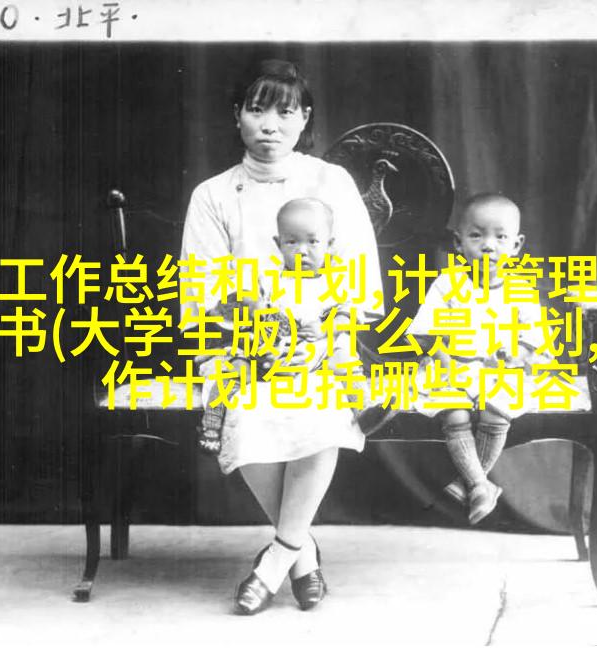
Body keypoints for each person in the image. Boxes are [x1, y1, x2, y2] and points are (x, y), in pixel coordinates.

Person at [179, 59, 383, 615]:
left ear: (304, 119)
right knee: (243, 414)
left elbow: (359, 278)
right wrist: (251, 328)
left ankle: (276, 558)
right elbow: (202, 286)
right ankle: (302, 552)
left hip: (324, 340)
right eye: (257, 110)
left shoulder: (330, 182)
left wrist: (321, 336)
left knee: (323, 412)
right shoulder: (214, 194)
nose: (270, 125)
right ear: (237, 116)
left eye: (285, 112)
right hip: (243, 343)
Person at [408, 194, 553, 525]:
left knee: (497, 407)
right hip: (452, 366)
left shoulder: (521, 290)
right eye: (476, 236)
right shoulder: (448, 284)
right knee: (453, 412)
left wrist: (516, 353)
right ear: (458, 243)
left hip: (498, 371)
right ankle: (480, 485)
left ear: (516, 245)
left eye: (500, 237)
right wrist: (444, 361)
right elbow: (424, 334)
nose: (488, 246)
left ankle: (472, 484)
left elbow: (533, 338)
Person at [197, 196, 361, 455]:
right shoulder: (268, 279)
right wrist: (253, 310)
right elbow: (242, 310)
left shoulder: (335, 283)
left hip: (316, 351)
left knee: (344, 362)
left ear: (329, 244)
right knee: (234, 370)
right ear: (278, 243)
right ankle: (212, 424)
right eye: (291, 242)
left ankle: (363, 409)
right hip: (268, 349)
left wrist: (325, 328)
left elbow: (348, 317)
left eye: (313, 242)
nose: (302, 251)